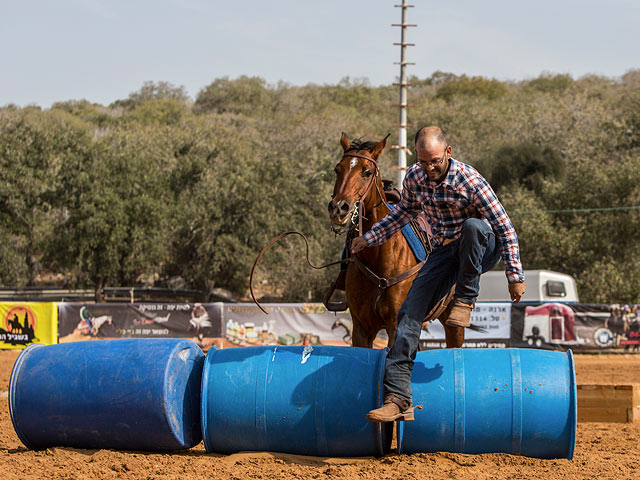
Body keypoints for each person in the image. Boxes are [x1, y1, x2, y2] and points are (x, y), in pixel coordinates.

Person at [350, 126, 526, 422]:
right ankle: (398, 398)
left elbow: (504, 227)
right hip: (445, 253)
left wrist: (515, 275)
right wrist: (369, 238)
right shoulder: (416, 178)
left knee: (473, 227)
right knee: (408, 314)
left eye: (435, 161)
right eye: (423, 162)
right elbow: (402, 214)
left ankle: (465, 300)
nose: (429, 168)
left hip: (484, 244)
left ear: (448, 152)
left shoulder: (470, 180)